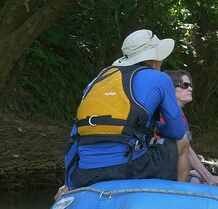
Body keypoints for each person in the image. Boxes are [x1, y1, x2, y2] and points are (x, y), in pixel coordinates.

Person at [63, 29, 190, 189]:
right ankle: (179, 201)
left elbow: (76, 133)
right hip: (130, 167)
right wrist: (152, 128)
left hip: (85, 172)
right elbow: (177, 132)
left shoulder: (97, 81)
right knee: (183, 142)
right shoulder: (160, 78)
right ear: (153, 60)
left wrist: (69, 183)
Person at [165, 70, 218, 186]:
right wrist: (208, 177)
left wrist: (204, 175)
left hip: (171, 166)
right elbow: (184, 147)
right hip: (163, 169)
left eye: (190, 85)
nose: (190, 89)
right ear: (170, 89)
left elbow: (186, 149)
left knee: (197, 178)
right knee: (198, 180)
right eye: (184, 85)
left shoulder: (178, 113)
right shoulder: (165, 114)